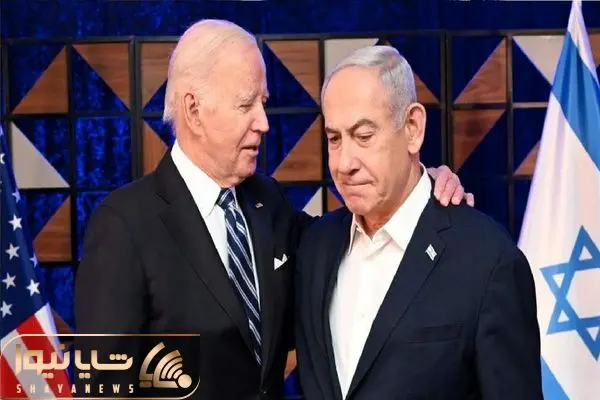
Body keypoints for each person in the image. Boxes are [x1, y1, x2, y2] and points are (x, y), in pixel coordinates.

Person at [74, 20, 471, 400]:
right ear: (193, 111)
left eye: (262, 103)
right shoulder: (124, 225)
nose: (263, 122)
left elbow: (346, 243)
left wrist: (416, 183)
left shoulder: (266, 201)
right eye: (246, 104)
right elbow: (102, 387)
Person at [294, 45, 543, 400]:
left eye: (364, 136)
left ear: (412, 128)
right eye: (334, 139)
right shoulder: (315, 248)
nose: (344, 163)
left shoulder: (488, 261)